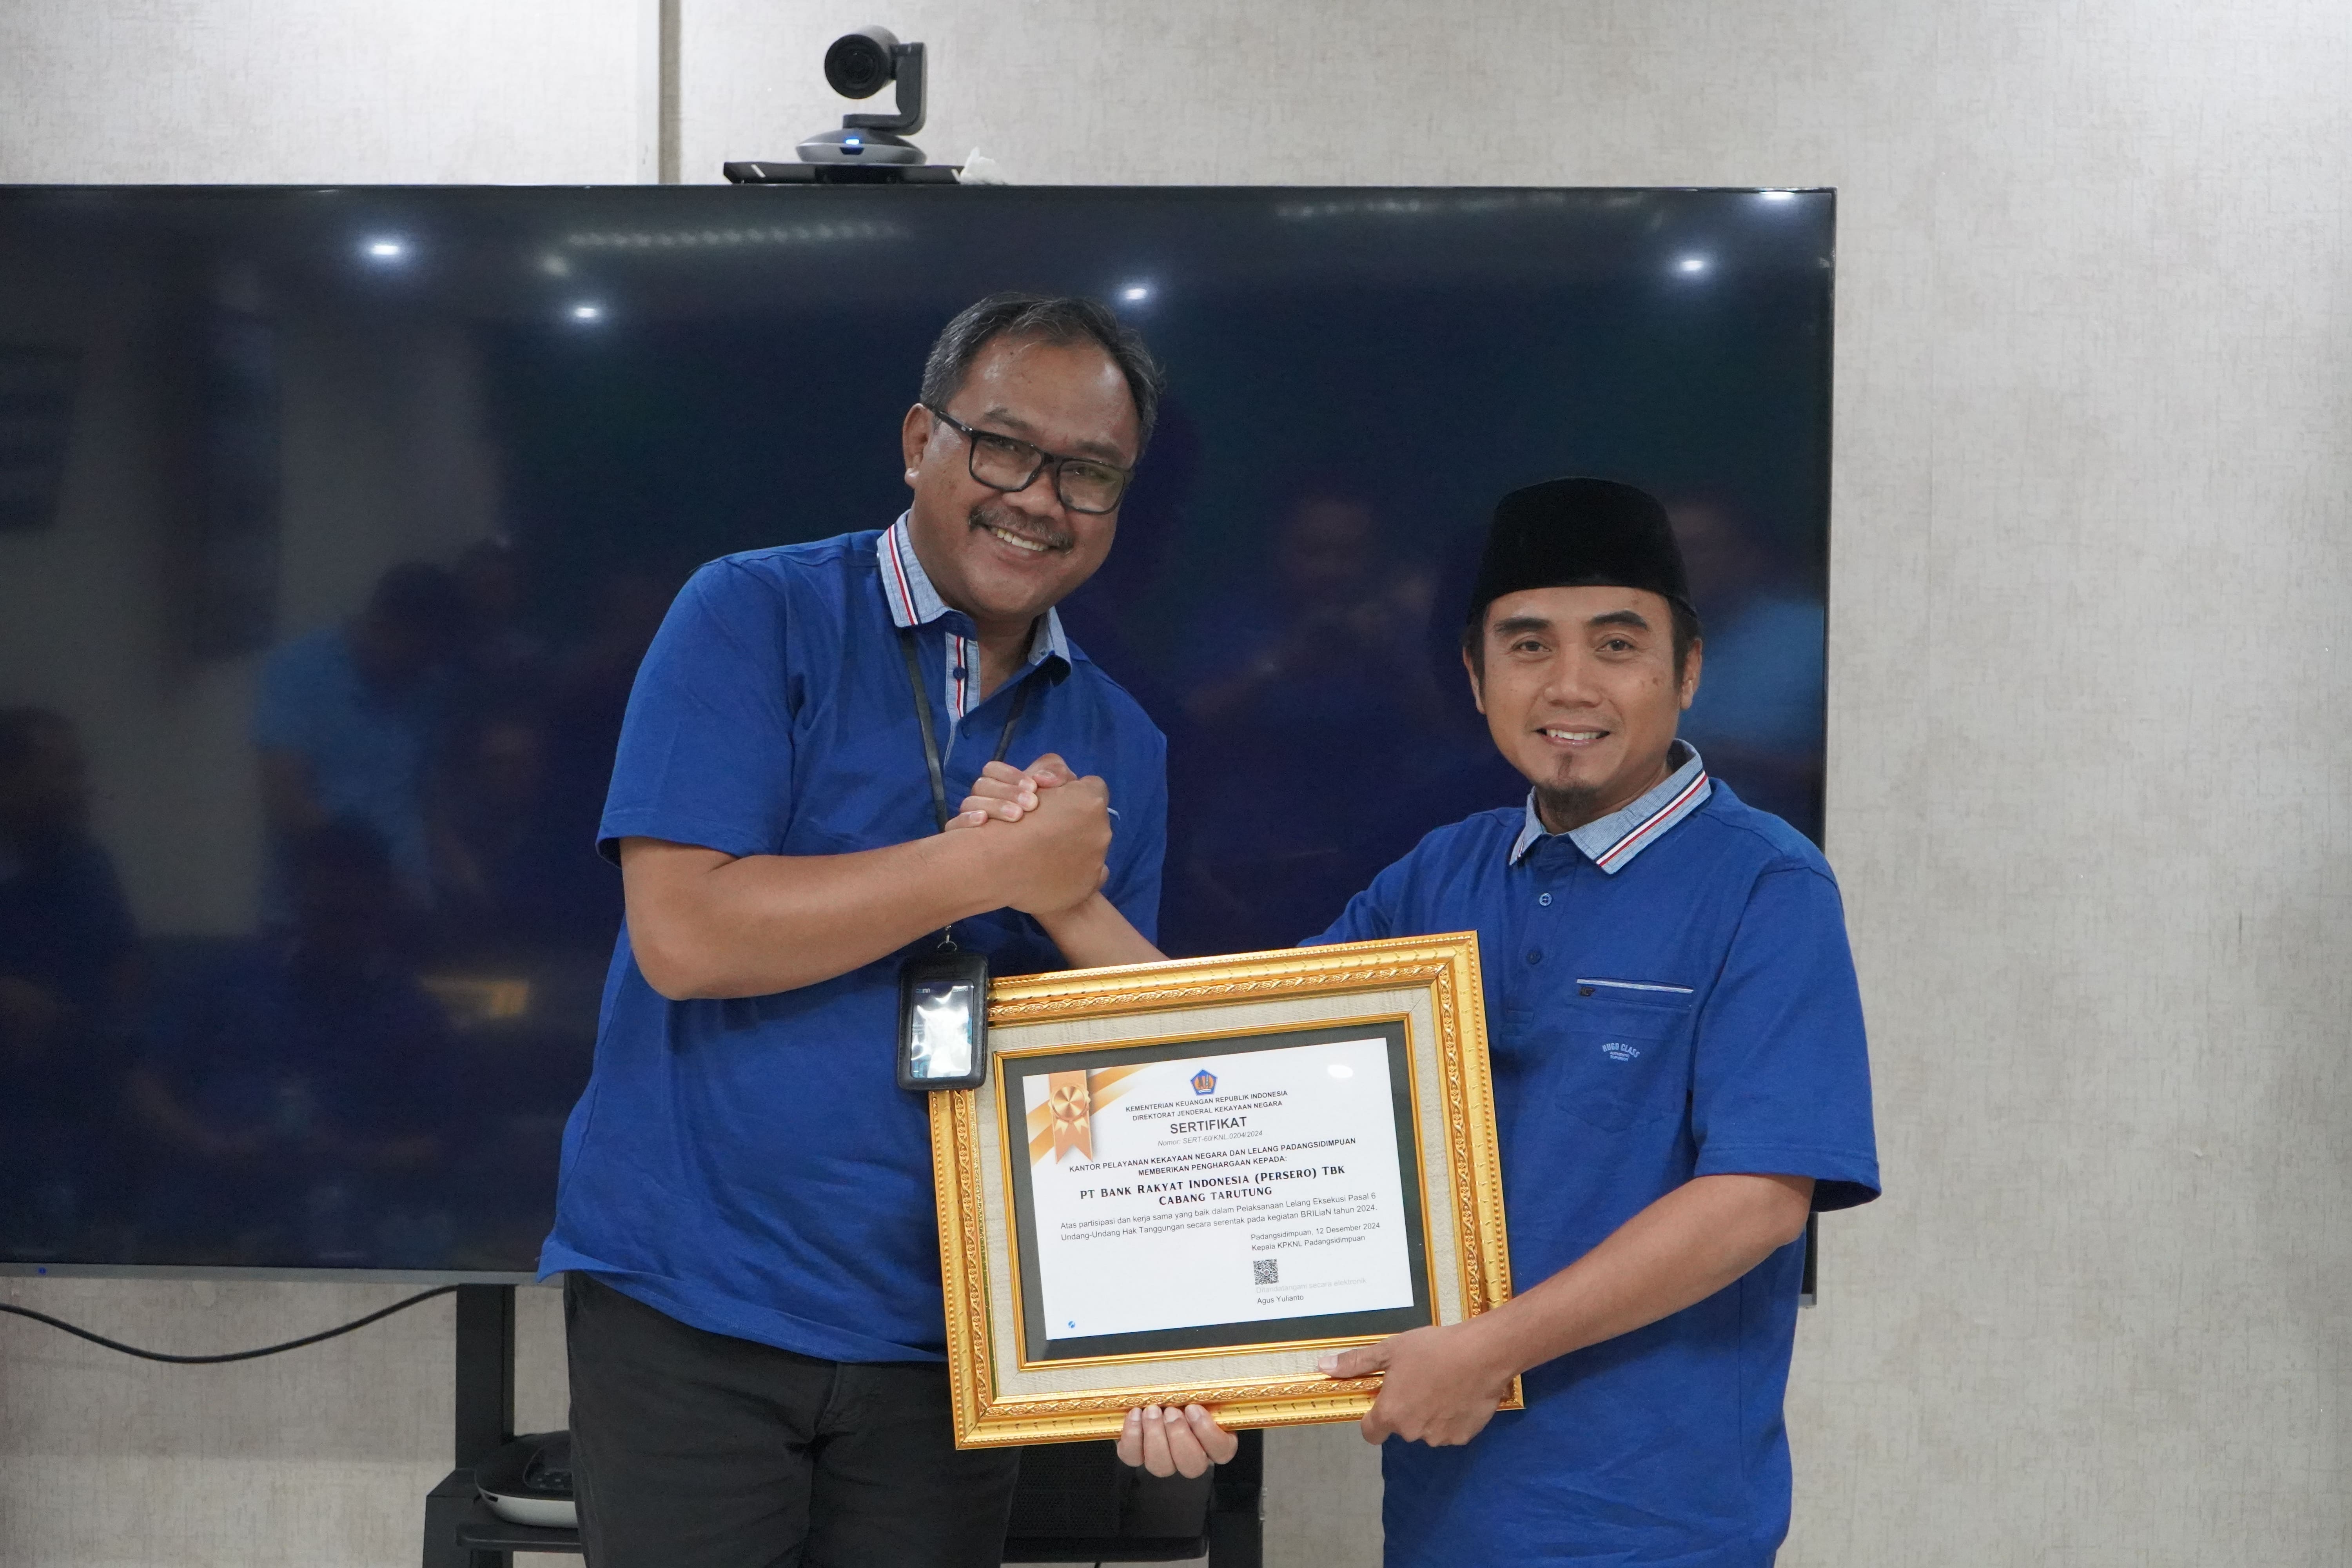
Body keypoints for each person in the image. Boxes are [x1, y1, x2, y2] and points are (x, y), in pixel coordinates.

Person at [958, 477, 1880, 1558]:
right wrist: (1061, 896)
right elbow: (1231, 1057)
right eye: (1527, 646)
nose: (1570, 684)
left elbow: (1757, 1201)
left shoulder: (1765, 885)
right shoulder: (1442, 872)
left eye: (1617, 645)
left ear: (1687, 672)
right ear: (1475, 678)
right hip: (1445, 1511)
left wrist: (1491, 1349)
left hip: (1656, 1520)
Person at [538, 293, 1175, 1568]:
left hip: (951, 1338)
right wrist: (986, 866)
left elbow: (1110, 1071)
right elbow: (687, 936)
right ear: (920, 441)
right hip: (696, 1303)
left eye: (1090, 472)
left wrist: (1163, 1328)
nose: (1040, 498)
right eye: (1005, 447)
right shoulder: (750, 613)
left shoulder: (1122, 740)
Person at [253, 561, 471, 918]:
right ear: (384, 625)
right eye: (419, 653)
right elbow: (286, 802)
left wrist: (464, 879)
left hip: (406, 910)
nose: (424, 668)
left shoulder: (429, 687)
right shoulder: (298, 672)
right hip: (315, 907)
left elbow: (427, 800)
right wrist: (375, 875)